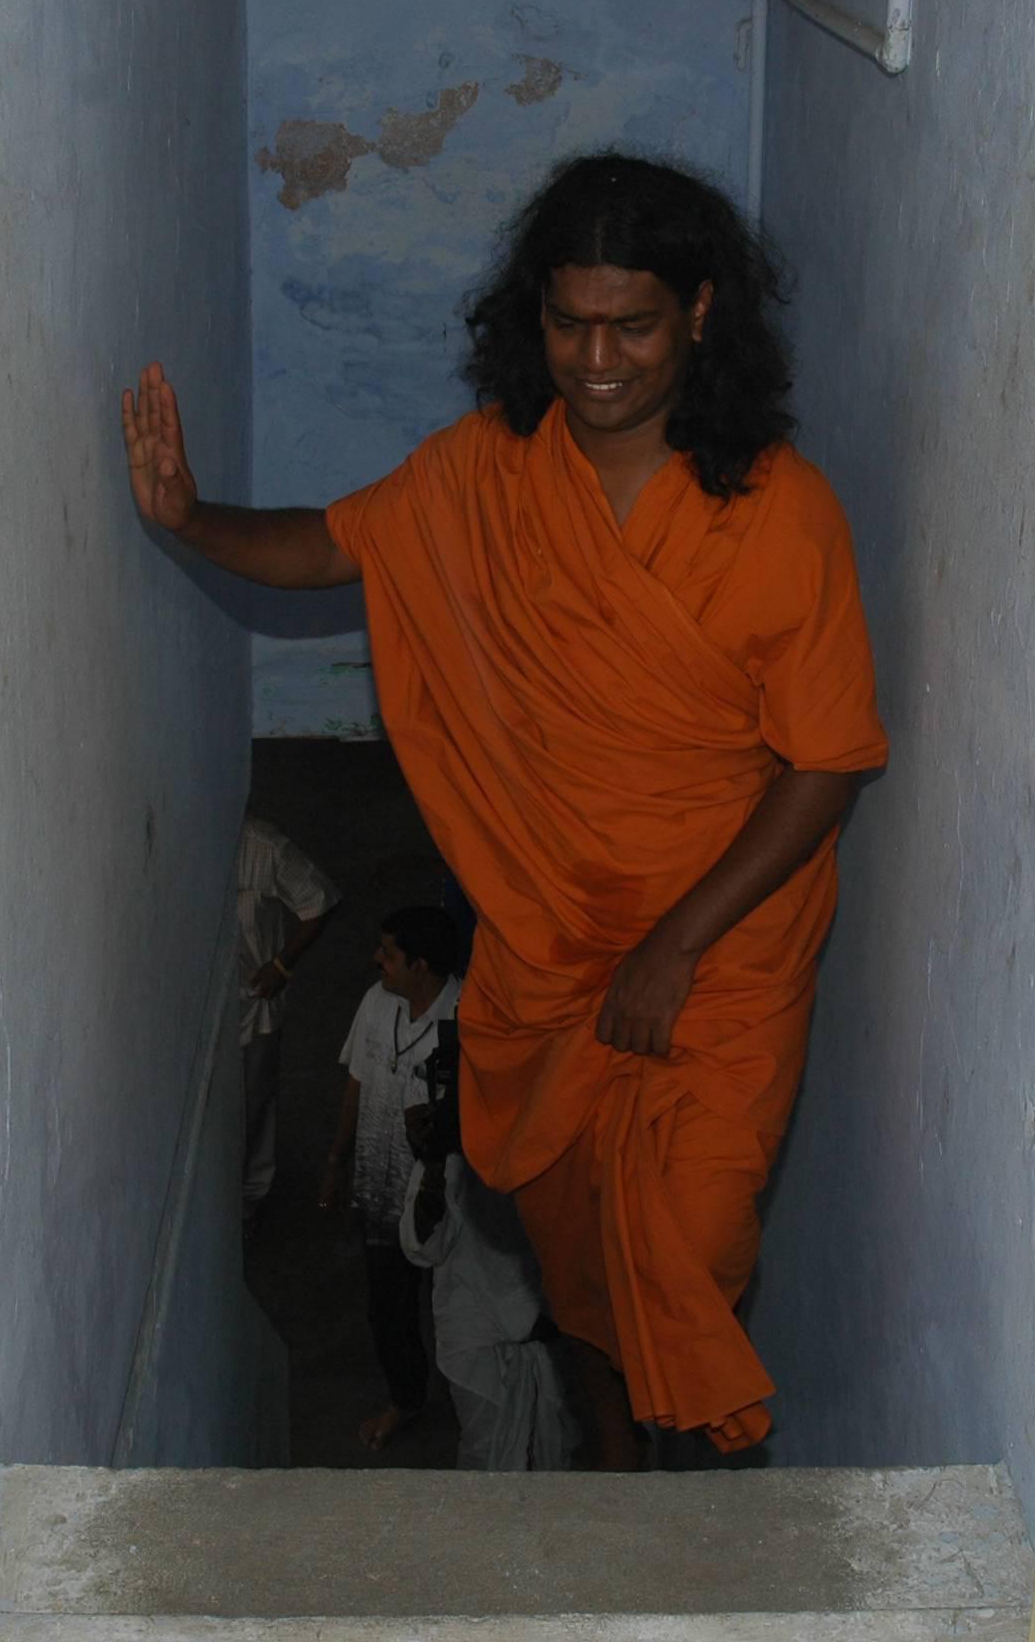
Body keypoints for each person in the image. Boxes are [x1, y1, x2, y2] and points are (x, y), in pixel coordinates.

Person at [125, 152, 888, 1463]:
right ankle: (612, 1474)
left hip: (718, 949)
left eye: (632, 325)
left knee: (691, 1241)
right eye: (568, 322)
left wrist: (675, 944)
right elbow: (334, 542)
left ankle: (689, 1502)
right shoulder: (489, 472)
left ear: (700, 312)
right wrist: (191, 517)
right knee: (573, 1247)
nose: (596, 360)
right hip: (548, 943)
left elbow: (825, 763)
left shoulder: (780, 514)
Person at [322, 906, 465, 1450]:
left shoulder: (468, 1018)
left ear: (420, 965)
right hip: (381, 1194)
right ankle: (406, 1399)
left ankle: (472, 1398)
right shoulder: (377, 1003)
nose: (375, 959)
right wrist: (337, 1162)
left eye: (388, 953)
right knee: (389, 1310)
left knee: (455, 1307)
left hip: (445, 1201)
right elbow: (357, 1083)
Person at [401, 1032, 575, 1473]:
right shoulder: (452, 1150)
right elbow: (423, 1247)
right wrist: (433, 1166)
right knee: (484, 1452)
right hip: (474, 1333)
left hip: (543, 1327)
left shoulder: (547, 1138)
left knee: (553, 1447)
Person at [234, 816, 339, 1214]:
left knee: (254, 1102)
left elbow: (320, 900)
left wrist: (281, 965)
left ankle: (250, 1199)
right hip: (200, 1004)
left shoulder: (263, 845)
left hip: (254, 1002)